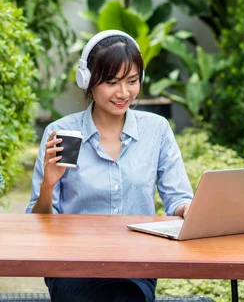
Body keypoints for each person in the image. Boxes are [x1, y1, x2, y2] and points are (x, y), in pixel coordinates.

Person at [25, 29, 194, 302]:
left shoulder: (157, 130)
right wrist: (49, 184)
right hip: (72, 264)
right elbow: (39, 223)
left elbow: (178, 197)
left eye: (132, 81)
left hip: (136, 266)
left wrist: (191, 208)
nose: (124, 93)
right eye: (112, 82)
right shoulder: (61, 132)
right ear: (88, 80)